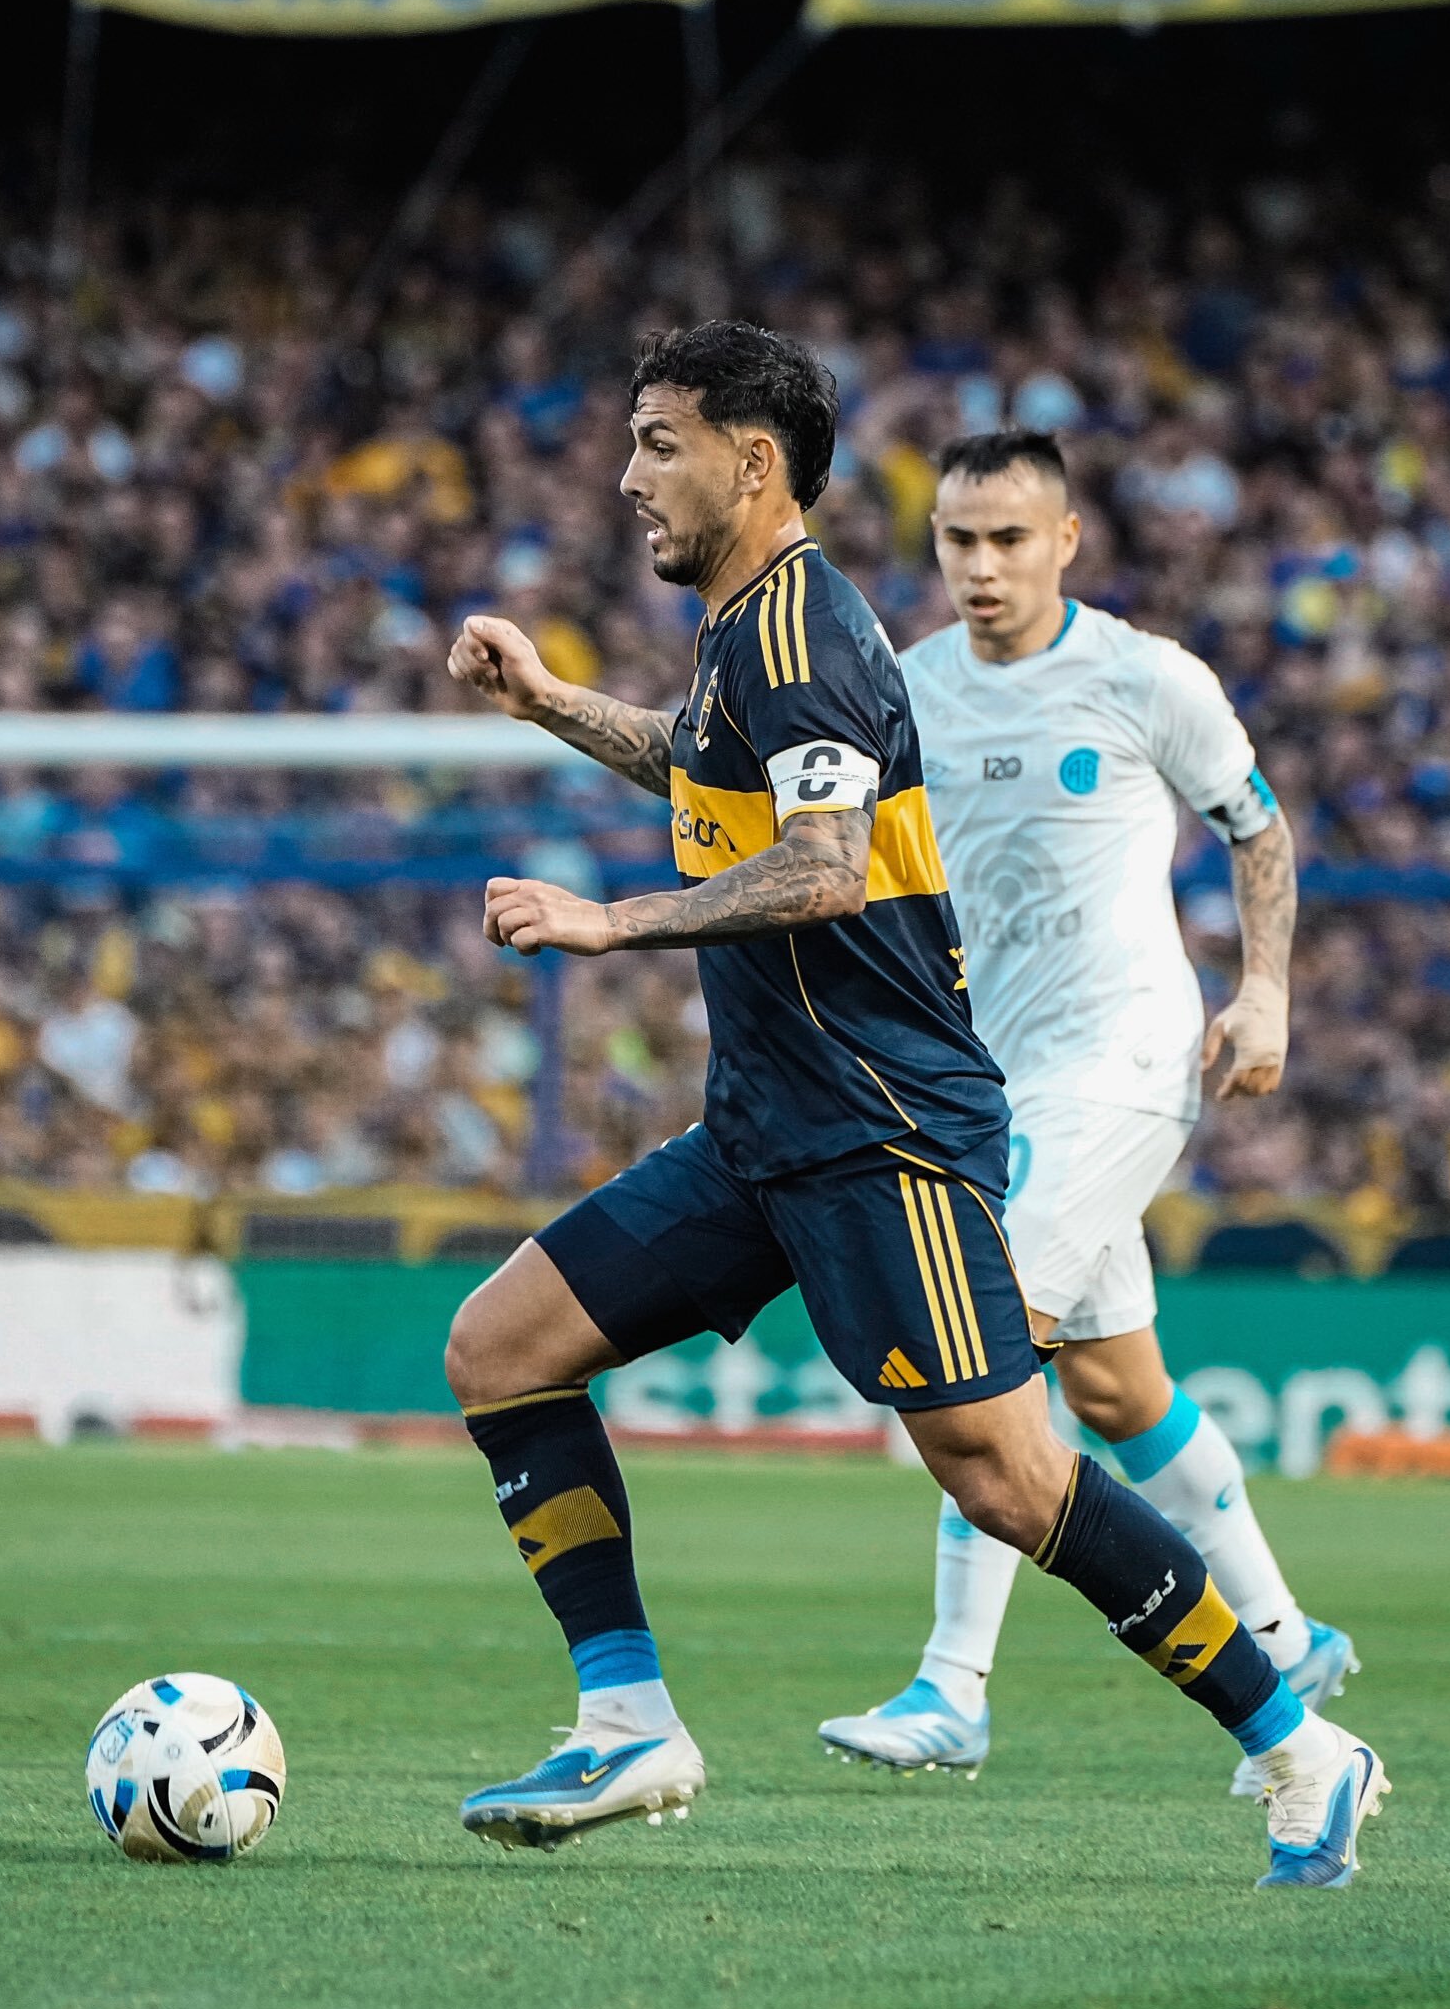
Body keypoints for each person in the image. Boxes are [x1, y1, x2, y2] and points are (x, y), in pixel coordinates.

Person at [441, 324, 1386, 1888]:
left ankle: (1302, 1747)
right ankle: (627, 1720)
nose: (627, 476)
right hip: (765, 1128)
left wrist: (611, 923)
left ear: (755, 463)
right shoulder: (749, 629)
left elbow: (818, 869)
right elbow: (707, 770)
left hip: (883, 1134)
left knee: (1013, 1475)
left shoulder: (802, 626)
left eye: (659, 440)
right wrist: (551, 702)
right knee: (499, 1352)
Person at [818, 430, 1359, 1803]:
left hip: (1123, 1058)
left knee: (982, 1337)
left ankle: (954, 1685)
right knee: (1118, 1389)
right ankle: (1290, 1642)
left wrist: (1270, 994)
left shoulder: (1144, 678)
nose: (982, 566)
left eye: (1010, 539)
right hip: (989, 1079)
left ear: (1067, 541)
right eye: (958, 540)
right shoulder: (912, 687)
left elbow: (1260, 826)